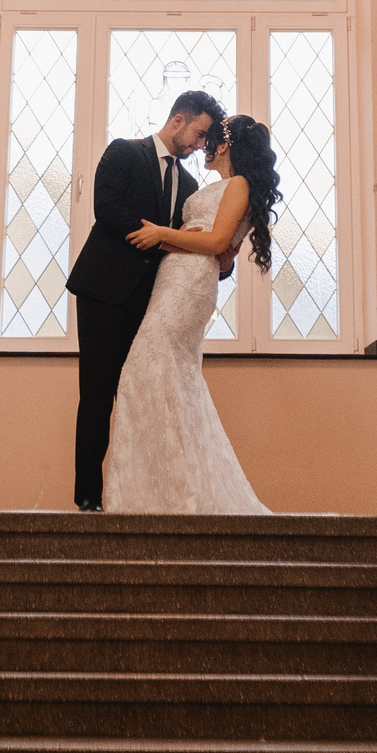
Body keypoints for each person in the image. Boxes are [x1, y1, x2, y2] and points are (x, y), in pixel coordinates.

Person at [103, 114, 283, 514]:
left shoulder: (238, 185)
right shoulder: (225, 186)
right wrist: (180, 241)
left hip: (188, 285)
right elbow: (220, 250)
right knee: (166, 376)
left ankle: (162, 496)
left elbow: (217, 243)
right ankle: (165, 490)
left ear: (225, 145)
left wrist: (160, 233)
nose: (203, 147)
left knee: (149, 368)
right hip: (176, 277)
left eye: (209, 139)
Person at [63, 90, 224, 511]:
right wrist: (161, 238)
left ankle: (134, 495)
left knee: (138, 395)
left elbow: (190, 241)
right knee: (97, 392)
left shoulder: (190, 185)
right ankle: (88, 498)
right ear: (178, 120)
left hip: (151, 301)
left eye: (206, 139)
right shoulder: (124, 151)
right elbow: (106, 208)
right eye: (199, 133)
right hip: (103, 290)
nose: (200, 145)